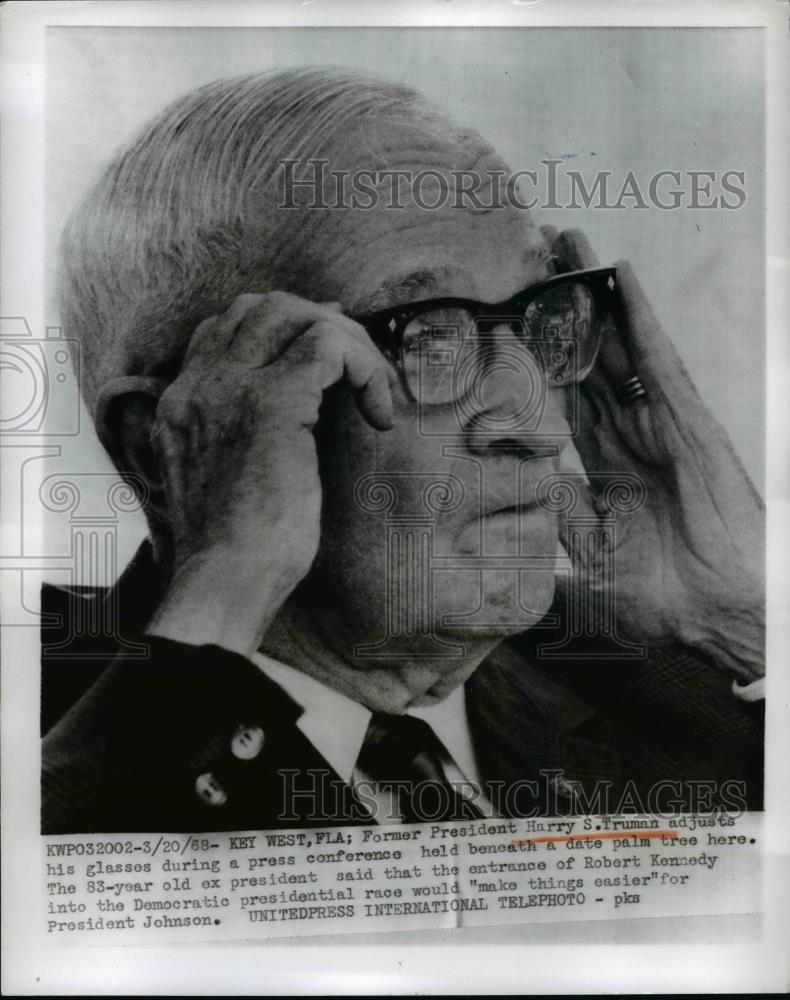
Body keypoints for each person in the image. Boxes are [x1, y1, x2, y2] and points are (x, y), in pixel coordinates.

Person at [41, 69, 764, 833]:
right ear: (160, 449)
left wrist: (747, 623)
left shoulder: (676, 686)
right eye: (429, 334)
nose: (539, 426)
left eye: (538, 316)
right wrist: (221, 585)